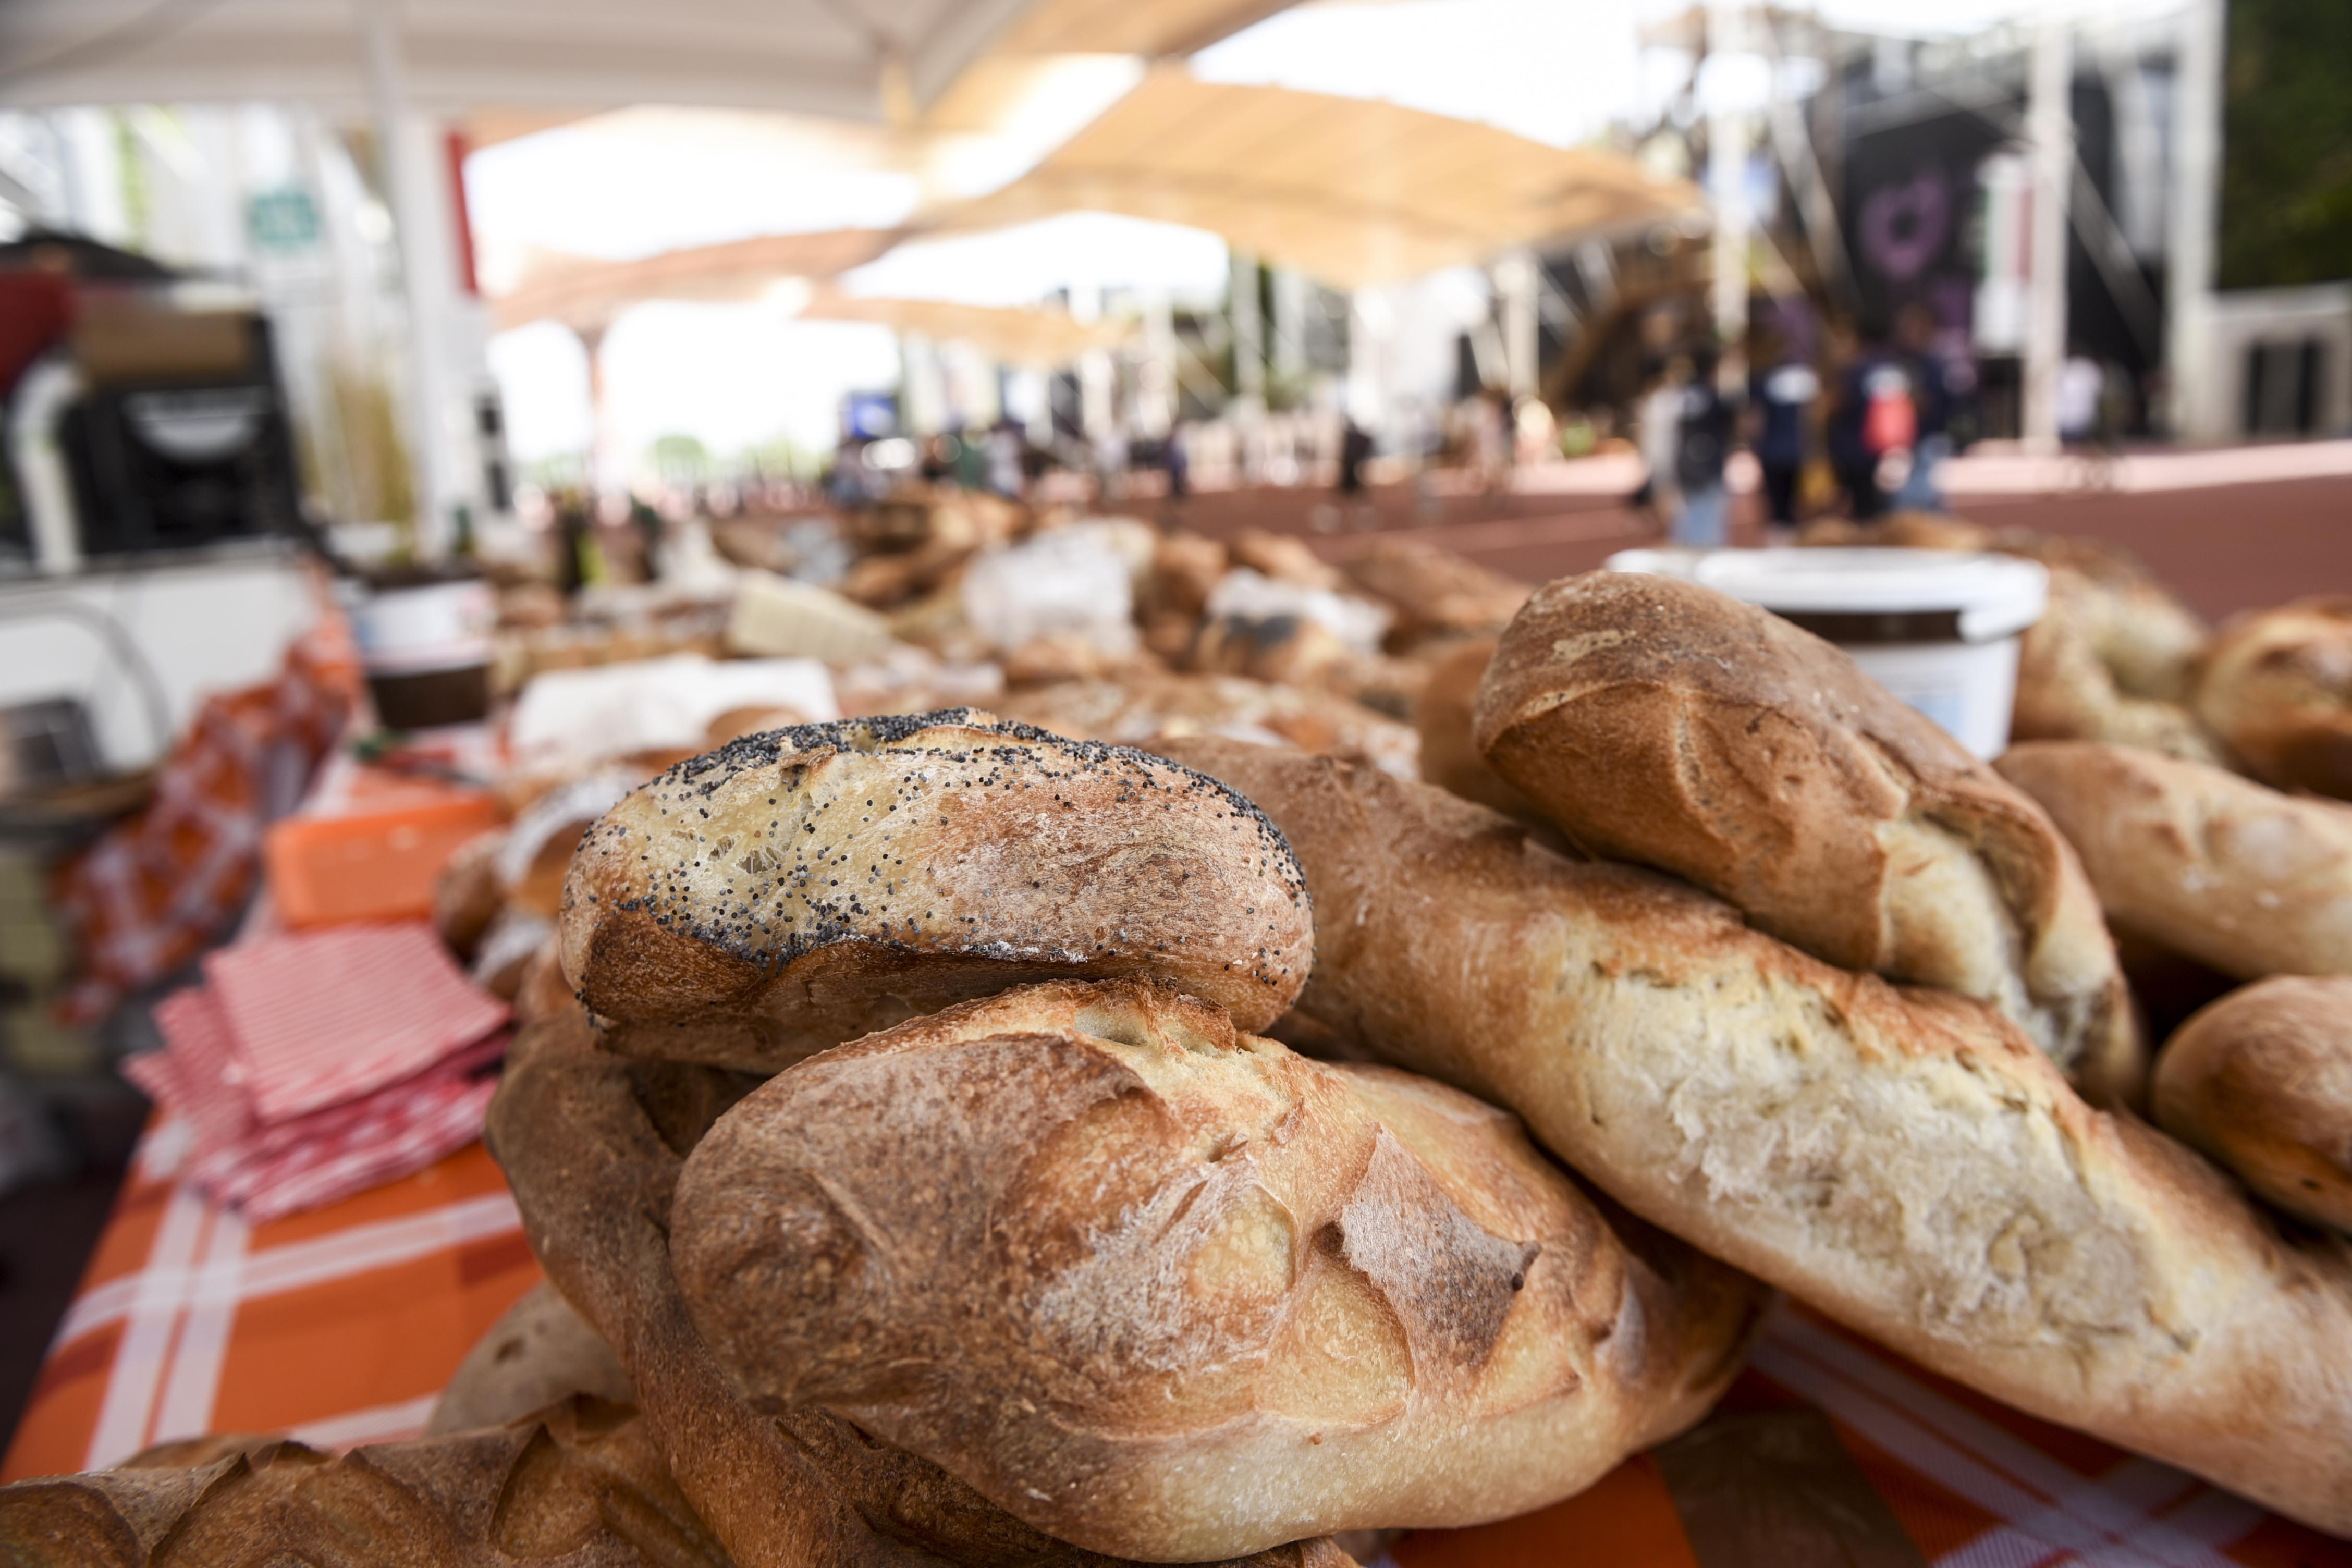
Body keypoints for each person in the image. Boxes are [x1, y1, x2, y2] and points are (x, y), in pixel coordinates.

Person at [1751, 344, 1818, 535]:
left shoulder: (1766, 380)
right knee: (1791, 504)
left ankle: (1780, 536)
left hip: (1773, 449)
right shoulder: (1804, 379)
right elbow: (1811, 418)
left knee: (1778, 505)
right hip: (1794, 449)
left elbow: (1756, 420)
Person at [1673, 348, 1735, 549]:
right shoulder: (1711, 396)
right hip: (1708, 463)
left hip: (1687, 460)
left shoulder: (1685, 393)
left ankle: (1687, 549)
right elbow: (1730, 421)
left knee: (1692, 511)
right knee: (1708, 518)